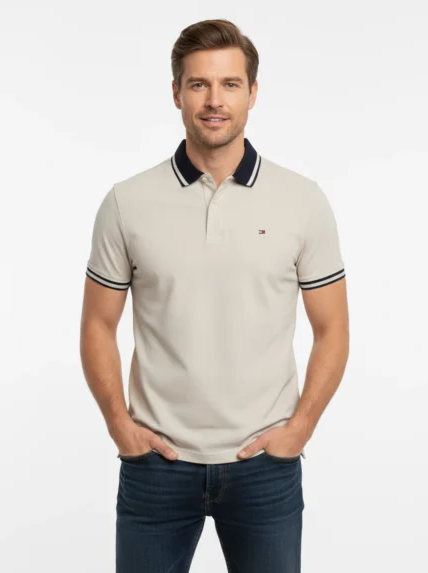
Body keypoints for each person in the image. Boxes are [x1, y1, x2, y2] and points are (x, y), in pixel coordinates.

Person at [80, 18, 349, 573]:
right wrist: (119, 426)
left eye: (230, 84)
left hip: (265, 468)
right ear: (176, 92)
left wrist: (300, 428)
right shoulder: (127, 203)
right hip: (156, 467)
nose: (214, 101)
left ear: (253, 92)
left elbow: (333, 329)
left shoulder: (303, 201)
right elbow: (97, 325)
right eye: (199, 84)